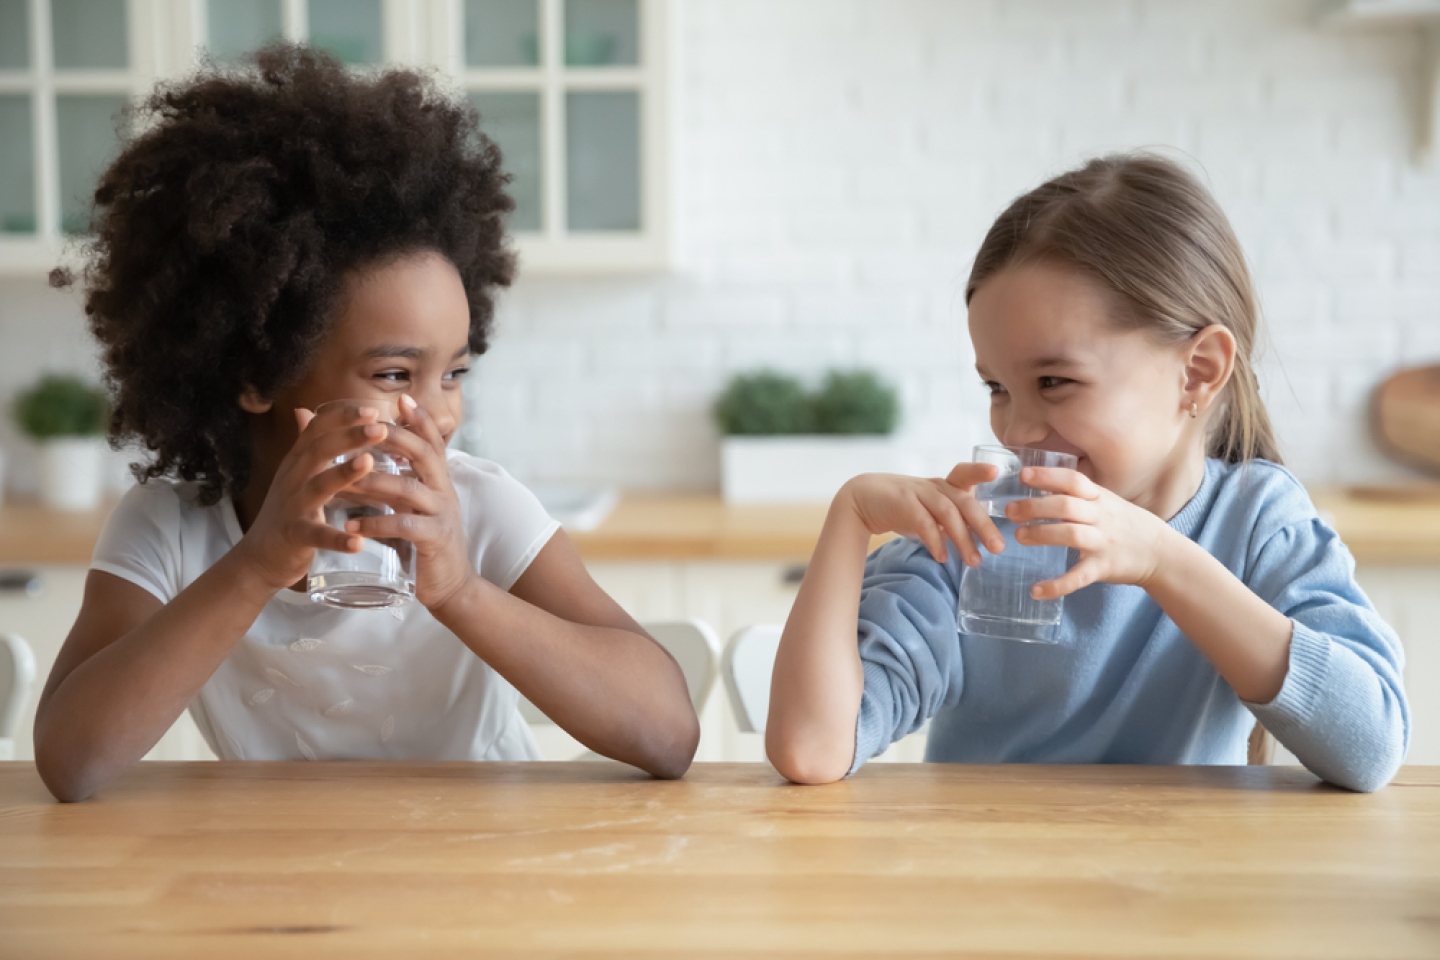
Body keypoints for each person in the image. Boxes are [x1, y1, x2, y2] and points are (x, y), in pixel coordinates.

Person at [33, 45, 698, 802]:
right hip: (282, 884)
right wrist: (254, 567)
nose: (439, 414)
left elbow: (668, 733)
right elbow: (70, 760)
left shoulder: (480, 510)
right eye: (393, 376)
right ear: (255, 375)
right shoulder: (172, 530)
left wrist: (460, 592)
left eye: (453, 373)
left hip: (480, 864)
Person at [765, 154, 1408, 792]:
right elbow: (811, 748)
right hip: (983, 879)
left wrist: (1162, 559)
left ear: (1198, 371)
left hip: (1183, 886)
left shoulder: (1255, 521)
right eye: (997, 387)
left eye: (1054, 381)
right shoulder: (978, 534)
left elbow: (1371, 746)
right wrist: (849, 519)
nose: (1015, 432)